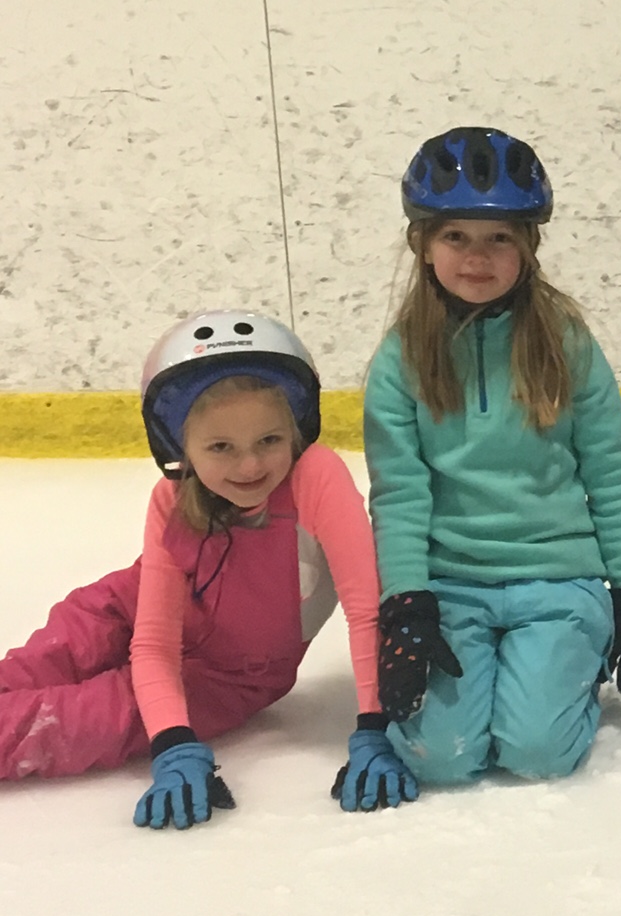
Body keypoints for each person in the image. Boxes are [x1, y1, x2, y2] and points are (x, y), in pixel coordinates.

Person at [0, 311, 413, 828]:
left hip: (225, 676)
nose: (249, 467)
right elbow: (152, 643)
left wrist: (376, 725)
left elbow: (366, 610)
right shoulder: (169, 500)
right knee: (32, 668)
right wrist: (175, 745)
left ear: (294, 432)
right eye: (221, 447)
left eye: (269, 441)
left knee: (64, 722)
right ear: (182, 449)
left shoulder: (316, 478)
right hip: (130, 602)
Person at [364, 127, 621, 785]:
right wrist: (407, 605)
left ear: (529, 243)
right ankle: (512, 672)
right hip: (450, 587)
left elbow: (609, 470)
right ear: (422, 243)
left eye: (499, 236)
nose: (477, 256)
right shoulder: (401, 359)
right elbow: (399, 495)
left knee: (536, 754)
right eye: (456, 237)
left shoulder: (565, 343)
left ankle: (572, 660)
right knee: (440, 759)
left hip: (557, 579)